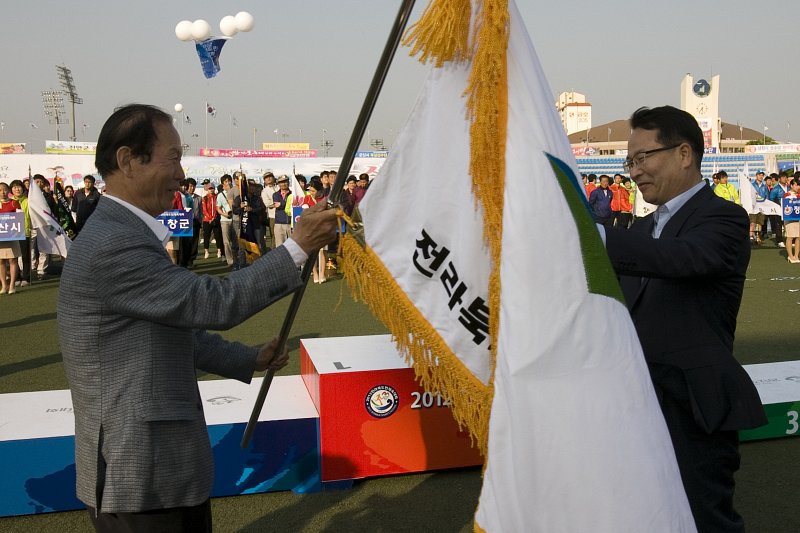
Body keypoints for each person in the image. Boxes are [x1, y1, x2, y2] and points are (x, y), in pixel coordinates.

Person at [57, 104, 338, 532]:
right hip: (138, 472)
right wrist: (297, 248)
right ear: (128, 160)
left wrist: (246, 359)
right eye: (172, 158)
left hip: (160, 469)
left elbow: (171, 328)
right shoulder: (113, 242)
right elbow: (212, 301)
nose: (180, 172)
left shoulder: (126, 232)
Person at [604, 106, 766, 533]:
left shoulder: (723, 218)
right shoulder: (639, 231)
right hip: (636, 403)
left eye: (643, 158)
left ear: (683, 154)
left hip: (692, 407)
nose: (634, 171)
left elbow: (683, 258)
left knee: (701, 520)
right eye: (630, 161)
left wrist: (594, 235)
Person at [0, 182, 21, 294]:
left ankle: (12, 285)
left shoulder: (14, 203)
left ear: (8, 191)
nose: (2, 192)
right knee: (1, 261)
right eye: (0, 190)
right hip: (0, 237)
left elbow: (19, 217)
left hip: (12, 235)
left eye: (4, 189)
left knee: (13, 260)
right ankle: (4, 285)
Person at [9, 179, 30, 286]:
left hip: (25, 231)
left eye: (19, 187)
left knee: (25, 256)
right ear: (11, 190)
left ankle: (26, 277)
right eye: (14, 187)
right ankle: (16, 277)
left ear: (23, 188)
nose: (17, 189)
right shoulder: (9, 201)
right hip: (11, 233)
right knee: (14, 257)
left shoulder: (28, 201)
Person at [200, 180, 223, 260]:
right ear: (207, 189)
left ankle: (219, 251)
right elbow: (204, 210)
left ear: (214, 188)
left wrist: (213, 218)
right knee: (206, 236)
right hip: (207, 220)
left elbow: (218, 207)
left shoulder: (217, 197)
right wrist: (210, 218)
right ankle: (206, 251)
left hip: (216, 219)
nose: (211, 190)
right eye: (209, 188)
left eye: (212, 188)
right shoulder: (205, 198)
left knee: (218, 236)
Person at [272, 175, 292, 247]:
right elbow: (278, 206)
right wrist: (286, 201)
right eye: (281, 182)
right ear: (278, 184)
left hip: (290, 223)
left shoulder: (293, 194)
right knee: (279, 247)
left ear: (288, 182)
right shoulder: (275, 195)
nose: (283, 184)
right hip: (279, 224)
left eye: (285, 182)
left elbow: (283, 205)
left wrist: (281, 203)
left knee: (291, 246)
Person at [783, 178, 800, 263]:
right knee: (790, 236)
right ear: (792, 185)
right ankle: (790, 256)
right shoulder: (786, 194)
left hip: (798, 218)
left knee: (798, 237)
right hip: (789, 218)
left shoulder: (799, 194)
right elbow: (786, 203)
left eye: (799, 185)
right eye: (796, 185)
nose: (798, 187)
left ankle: (796, 255)